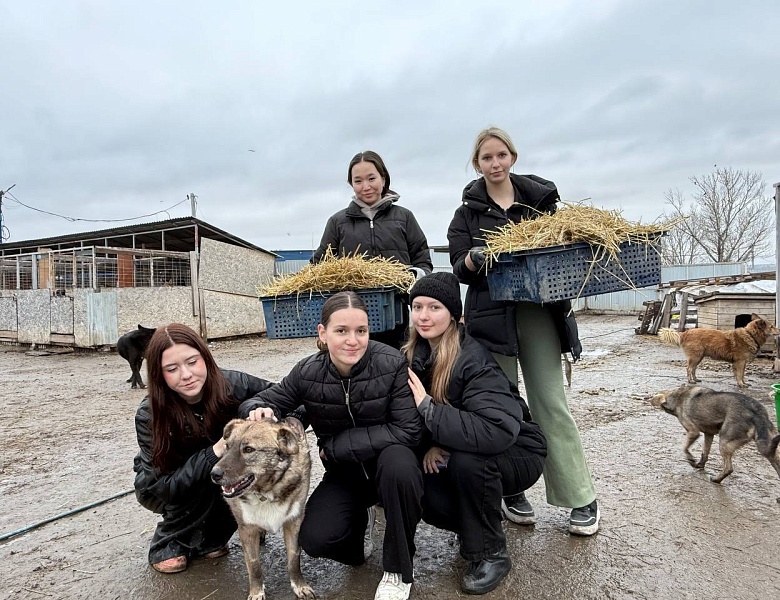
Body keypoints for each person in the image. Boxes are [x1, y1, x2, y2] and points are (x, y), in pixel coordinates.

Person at [447, 126, 600, 536]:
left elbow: (567, 247)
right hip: (490, 316)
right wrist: (476, 259)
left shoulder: (540, 204)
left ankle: (579, 494)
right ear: (477, 164)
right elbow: (458, 266)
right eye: (486, 158)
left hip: (537, 312)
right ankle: (512, 489)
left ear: (512, 157)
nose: (494, 164)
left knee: (550, 401)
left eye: (501, 156)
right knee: (499, 407)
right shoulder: (467, 213)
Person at [240, 291, 424, 600]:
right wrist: (255, 409)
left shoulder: (390, 362)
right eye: (341, 331)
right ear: (323, 334)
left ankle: (397, 569)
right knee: (315, 539)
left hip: (390, 469)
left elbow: (410, 430)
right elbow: (265, 398)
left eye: (361, 331)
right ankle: (358, 533)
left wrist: (341, 444)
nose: (353, 340)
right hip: (346, 475)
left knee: (400, 465)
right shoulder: (307, 372)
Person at [403, 272, 547, 595]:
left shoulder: (472, 358)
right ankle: (474, 525)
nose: (424, 316)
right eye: (417, 307)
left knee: (469, 460)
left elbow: (494, 430)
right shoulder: (413, 354)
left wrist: (429, 409)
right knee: (419, 479)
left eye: (434, 308)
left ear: (453, 314)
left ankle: (491, 553)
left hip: (519, 449)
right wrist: (430, 445)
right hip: (462, 446)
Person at [132, 323, 276, 574]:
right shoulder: (150, 415)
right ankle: (168, 543)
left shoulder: (232, 383)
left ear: (205, 358)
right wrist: (215, 451)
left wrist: (258, 408)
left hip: (223, 472)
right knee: (211, 478)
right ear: (158, 374)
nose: (186, 375)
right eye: (172, 369)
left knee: (249, 467)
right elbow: (163, 487)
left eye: (192, 362)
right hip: (165, 487)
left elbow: (283, 396)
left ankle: (213, 537)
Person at [311, 150, 433, 349]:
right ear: (351, 184)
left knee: (395, 367)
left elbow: (423, 260)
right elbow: (318, 267)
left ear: (383, 179)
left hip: (397, 318)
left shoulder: (404, 217)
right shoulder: (337, 222)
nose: (365, 187)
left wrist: (412, 276)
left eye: (371, 178)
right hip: (351, 322)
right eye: (358, 181)